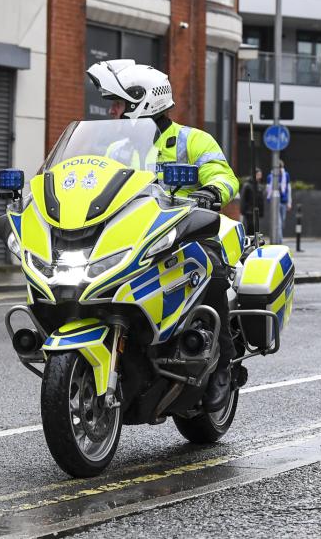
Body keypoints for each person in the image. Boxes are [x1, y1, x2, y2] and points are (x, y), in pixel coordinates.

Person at [86, 59, 239, 413]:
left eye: (118, 103)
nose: (112, 111)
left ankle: (222, 365)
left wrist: (212, 191)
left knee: (210, 268)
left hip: (185, 231)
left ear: (142, 101)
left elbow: (224, 175)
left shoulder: (193, 140)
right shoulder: (116, 150)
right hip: (135, 235)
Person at [265, 161, 292, 244]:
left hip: (283, 201)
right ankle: (279, 240)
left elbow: (288, 189)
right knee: (278, 221)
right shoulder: (270, 176)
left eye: (280, 167)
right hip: (274, 202)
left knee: (282, 221)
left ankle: (278, 236)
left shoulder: (286, 175)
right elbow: (268, 189)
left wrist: (289, 202)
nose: (280, 169)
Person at [239, 168, 264, 236]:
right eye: (259, 175)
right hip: (248, 211)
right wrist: (243, 211)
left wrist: (261, 211)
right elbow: (243, 199)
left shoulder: (259, 186)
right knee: (249, 228)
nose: (260, 176)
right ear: (254, 175)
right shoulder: (247, 185)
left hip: (256, 211)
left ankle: (254, 243)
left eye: (260, 175)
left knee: (256, 229)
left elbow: (260, 200)